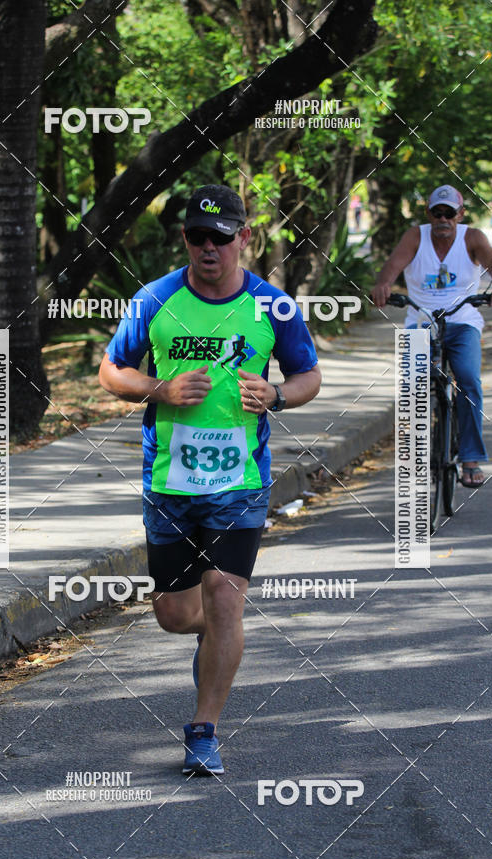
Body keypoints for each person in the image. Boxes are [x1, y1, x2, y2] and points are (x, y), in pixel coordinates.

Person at [98, 184, 321, 775]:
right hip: (169, 479)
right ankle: (209, 633)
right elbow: (110, 369)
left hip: (240, 481)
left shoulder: (273, 307)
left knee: (226, 598)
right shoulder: (155, 300)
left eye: (222, 238)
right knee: (175, 613)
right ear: (186, 240)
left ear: (244, 238)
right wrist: (159, 389)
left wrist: (277, 394)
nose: (209, 248)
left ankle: (204, 730)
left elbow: (309, 377)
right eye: (198, 236)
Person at [372, 184, 492, 487]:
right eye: (437, 212)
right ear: (429, 213)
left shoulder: (473, 237)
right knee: (411, 388)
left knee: (468, 380)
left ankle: (470, 457)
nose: (443, 219)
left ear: (461, 214)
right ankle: (415, 455)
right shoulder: (415, 236)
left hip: (463, 321)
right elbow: (392, 266)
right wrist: (384, 284)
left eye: (450, 213)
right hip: (420, 321)